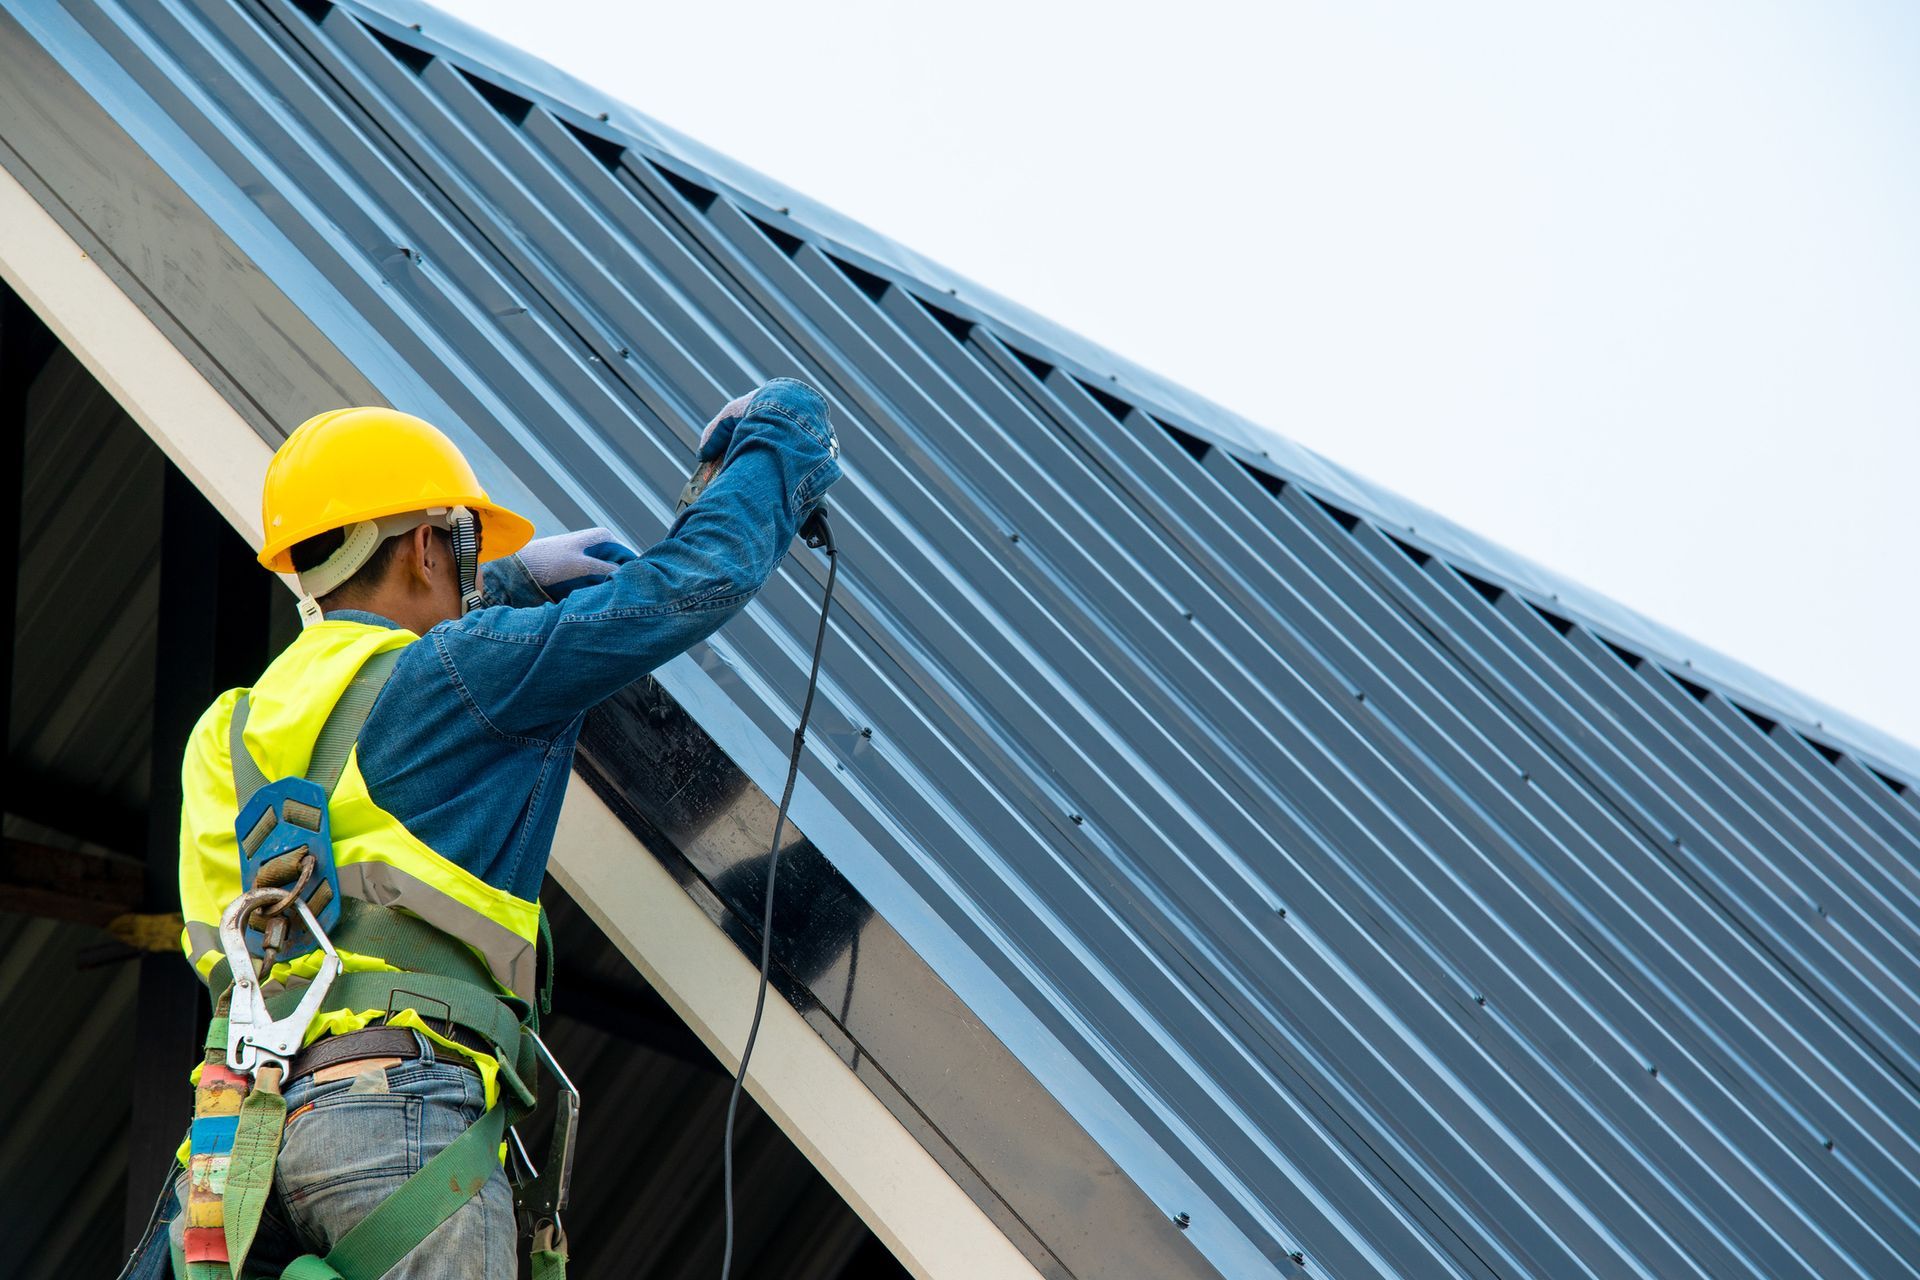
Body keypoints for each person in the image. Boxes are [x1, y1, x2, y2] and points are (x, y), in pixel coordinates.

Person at [133, 378, 840, 1279]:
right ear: (428, 546)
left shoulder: (225, 733)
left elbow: (370, 703)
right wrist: (784, 438)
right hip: (399, 1112)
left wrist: (506, 586)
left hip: (233, 1154)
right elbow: (690, 584)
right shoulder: (464, 675)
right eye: (464, 550)